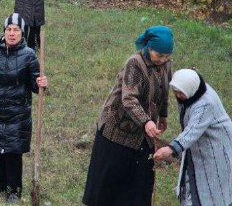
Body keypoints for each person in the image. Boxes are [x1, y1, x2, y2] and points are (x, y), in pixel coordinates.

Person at [82, 26, 174, 206]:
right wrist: (146, 121)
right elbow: (129, 99)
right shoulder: (135, 63)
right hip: (117, 128)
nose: (162, 59)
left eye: (166, 56)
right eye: (159, 55)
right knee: (109, 181)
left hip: (142, 132)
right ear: (149, 47)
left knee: (137, 182)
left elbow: (164, 91)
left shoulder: (165, 64)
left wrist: (163, 115)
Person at [0, 13, 48, 203]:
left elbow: (35, 85)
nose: (12, 33)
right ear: (4, 31)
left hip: (18, 113)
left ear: (22, 33)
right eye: (9, 30)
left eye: (16, 30)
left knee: (13, 152)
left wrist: (42, 84)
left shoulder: (29, 55)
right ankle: (2, 186)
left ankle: (15, 190)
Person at [153, 69, 232, 206]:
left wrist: (171, 149)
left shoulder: (206, 103)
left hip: (215, 148)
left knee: (212, 187)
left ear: (190, 89)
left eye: (180, 93)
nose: (178, 95)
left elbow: (193, 130)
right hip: (198, 145)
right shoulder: (190, 93)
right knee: (192, 180)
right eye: (175, 92)